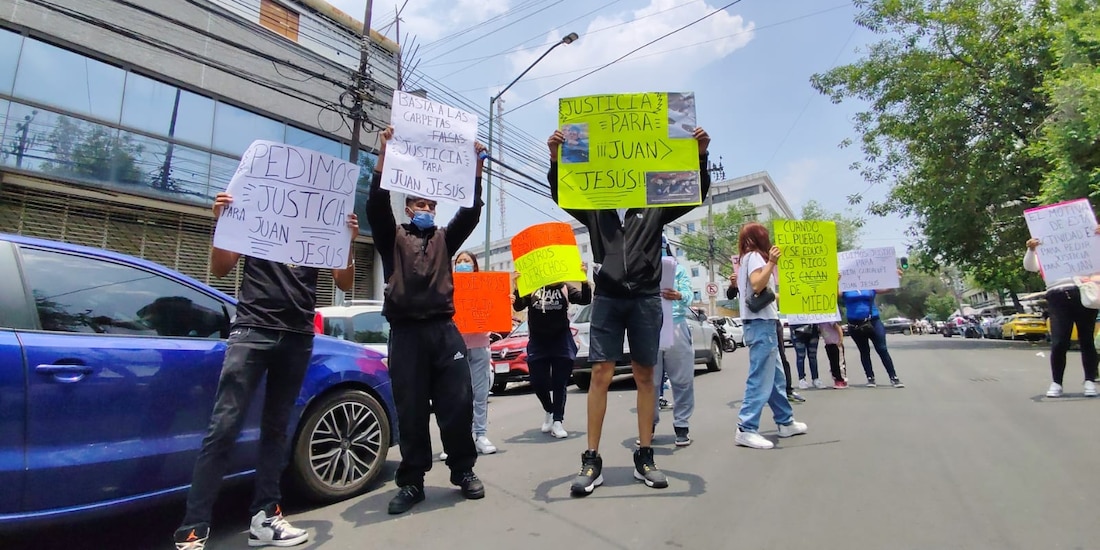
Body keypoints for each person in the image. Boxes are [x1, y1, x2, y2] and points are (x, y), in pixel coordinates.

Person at [173, 197, 358, 549]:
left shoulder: (320, 225)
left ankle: (266, 517)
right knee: (224, 426)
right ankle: (193, 527)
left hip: (298, 335)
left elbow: (344, 282)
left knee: (276, 428)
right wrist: (223, 224)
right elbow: (220, 268)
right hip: (253, 330)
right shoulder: (258, 215)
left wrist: (347, 240)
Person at [546, 126, 711, 494]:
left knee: (644, 375)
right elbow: (561, 193)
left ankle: (645, 455)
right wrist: (555, 157)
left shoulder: (654, 206)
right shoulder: (594, 207)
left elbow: (694, 195)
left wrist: (700, 155)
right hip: (607, 299)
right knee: (601, 372)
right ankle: (591, 460)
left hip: (646, 299)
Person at [367, 126, 488, 515]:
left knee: (458, 403)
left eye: (432, 206)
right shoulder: (392, 238)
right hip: (405, 335)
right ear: (408, 208)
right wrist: (384, 154)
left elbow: (470, 212)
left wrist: (475, 171)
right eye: (420, 204)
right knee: (411, 409)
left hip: (443, 332)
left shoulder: (443, 240)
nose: (427, 211)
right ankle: (413, 481)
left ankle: (463, 470)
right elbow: (375, 204)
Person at [734, 222, 808, 450]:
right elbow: (757, 285)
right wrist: (772, 262)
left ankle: (785, 422)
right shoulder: (756, 257)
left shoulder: (747, 259)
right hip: (761, 324)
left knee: (776, 378)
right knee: (761, 377)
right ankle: (746, 428)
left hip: (761, 323)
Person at [512, 265, 592, 439]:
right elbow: (518, 305)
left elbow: (585, 300)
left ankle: (558, 420)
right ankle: (549, 410)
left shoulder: (564, 287)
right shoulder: (532, 287)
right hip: (538, 342)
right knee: (537, 381)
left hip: (560, 340)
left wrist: (584, 279)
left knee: (559, 382)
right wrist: (517, 286)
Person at [1025, 233, 1099, 397]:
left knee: (1087, 340)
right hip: (1057, 295)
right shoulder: (1045, 249)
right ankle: (1057, 382)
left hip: (1084, 291)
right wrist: (1031, 250)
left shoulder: (1086, 244)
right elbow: (1031, 266)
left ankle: (1089, 381)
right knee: (1059, 341)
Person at [727, 272, 804, 402]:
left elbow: (769, 292)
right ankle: (761, 397)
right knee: (761, 362)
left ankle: (787, 391)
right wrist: (733, 284)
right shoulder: (745, 273)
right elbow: (731, 296)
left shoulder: (765, 271)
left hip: (771, 319)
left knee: (780, 357)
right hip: (755, 321)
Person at [654, 237, 697, 447]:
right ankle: (648, 425)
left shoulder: (677, 270)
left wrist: (679, 294)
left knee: (682, 380)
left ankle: (682, 426)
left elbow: (689, 295)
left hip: (677, 325)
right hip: (648, 329)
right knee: (649, 382)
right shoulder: (640, 270)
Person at [454, 251, 497, 454]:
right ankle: (459, 439)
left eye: (467, 261)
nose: (463, 264)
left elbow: (496, 309)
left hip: (479, 345)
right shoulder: (448, 287)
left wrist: (505, 300)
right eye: (459, 261)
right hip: (455, 348)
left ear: (475, 266)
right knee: (457, 396)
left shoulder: (485, 286)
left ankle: (480, 435)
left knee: (479, 394)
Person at [841, 277, 905, 388]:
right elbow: (836, 293)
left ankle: (893, 377)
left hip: (873, 321)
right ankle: (870, 377)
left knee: (882, 349)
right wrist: (836, 280)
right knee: (864, 351)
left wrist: (896, 278)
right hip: (855, 324)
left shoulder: (869, 282)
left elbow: (886, 289)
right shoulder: (845, 285)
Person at [792, 323, 824, 389]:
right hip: (797, 330)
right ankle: (802, 379)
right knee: (800, 356)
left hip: (813, 330)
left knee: (813, 356)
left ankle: (815, 379)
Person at [818, 320, 848, 389]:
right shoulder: (819, 321)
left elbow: (838, 327)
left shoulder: (830, 320)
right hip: (828, 344)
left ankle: (842, 380)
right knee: (833, 363)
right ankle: (836, 379)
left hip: (836, 344)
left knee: (839, 363)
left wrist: (840, 339)